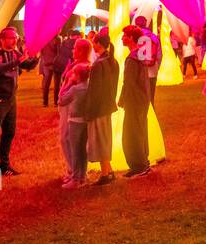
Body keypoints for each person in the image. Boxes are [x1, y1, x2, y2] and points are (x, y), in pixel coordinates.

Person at [0, 27, 38, 180]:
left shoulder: (13, 52)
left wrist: (36, 57)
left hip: (10, 100)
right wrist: (18, 61)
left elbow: (27, 65)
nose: (14, 41)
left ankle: (4, 165)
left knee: (9, 133)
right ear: (2, 39)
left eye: (15, 38)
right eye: (11, 38)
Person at [81, 31, 118, 186]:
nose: (92, 45)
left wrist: (89, 111)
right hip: (108, 105)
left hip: (99, 108)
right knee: (106, 138)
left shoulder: (98, 64)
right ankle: (108, 170)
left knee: (100, 140)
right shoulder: (112, 61)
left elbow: (94, 90)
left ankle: (105, 173)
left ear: (98, 44)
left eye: (94, 43)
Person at [118, 24, 155, 178]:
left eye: (125, 36)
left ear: (131, 38)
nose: (122, 38)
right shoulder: (140, 56)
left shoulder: (133, 59)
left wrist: (122, 99)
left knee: (131, 133)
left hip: (134, 99)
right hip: (142, 98)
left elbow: (129, 82)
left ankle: (138, 165)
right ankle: (142, 163)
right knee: (139, 130)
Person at [57, 38, 94, 187]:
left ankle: (75, 172)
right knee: (67, 138)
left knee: (68, 138)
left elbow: (72, 87)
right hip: (68, 104)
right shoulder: (75, 64)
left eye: (75, 48)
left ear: (81, 50)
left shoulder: (82, 67)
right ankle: (73, 171)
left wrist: (64, 93)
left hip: (71, 106)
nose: (73, 51)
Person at [40, 34, 62, 108]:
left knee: (46, 83)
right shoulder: (58, 38)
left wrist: (45, 60)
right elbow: (59, 53)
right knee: (57, 84)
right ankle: (56, 102)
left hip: (46, 63)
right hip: (55, 63)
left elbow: (41, 51)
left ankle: (45, 102)